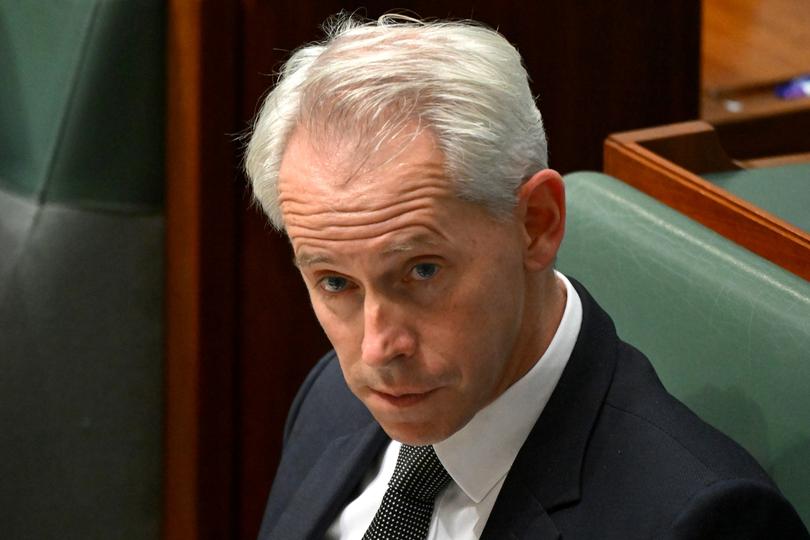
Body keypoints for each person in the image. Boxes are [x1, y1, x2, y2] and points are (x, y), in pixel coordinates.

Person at [244, 14, 809, 540]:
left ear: (537, 224)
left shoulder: (699, 520)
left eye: (420, 271)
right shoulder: (331, 398)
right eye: (336, 283)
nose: (377, 350)